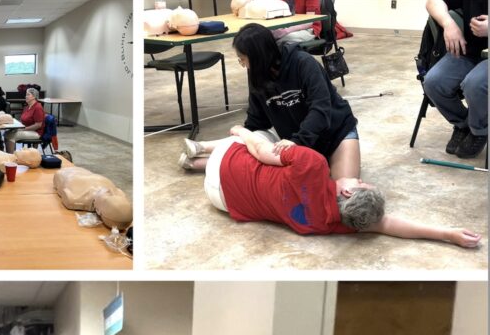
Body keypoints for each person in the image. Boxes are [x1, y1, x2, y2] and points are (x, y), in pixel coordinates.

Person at [178, 126, 483, 247]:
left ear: (348, 191)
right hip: (223, 203)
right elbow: (388, 225)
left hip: (226, 167)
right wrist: (448, 235)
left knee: (260, 135)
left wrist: (241, 130)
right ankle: (194, 163)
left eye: (359, 181)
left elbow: (258, 150)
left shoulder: (313, 166)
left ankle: (202, 148)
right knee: (264, 158)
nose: (358, 178)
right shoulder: (332, 222)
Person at [230, 23, 360, 181]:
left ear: (258, 58)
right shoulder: (257, 75)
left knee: (344, 190)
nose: (243, 65)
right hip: (299, 142)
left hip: (335, 134)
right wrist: (244, 136)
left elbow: (321, 110)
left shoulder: (303, 63)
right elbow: (257, 120)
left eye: (243, 59)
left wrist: (298, 141)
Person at [423, 0, 488, 158]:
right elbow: (433, 1)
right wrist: (448, 24)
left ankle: (479, 129)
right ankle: (464, 124)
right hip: (470, 51)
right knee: (434, 82)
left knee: (474, 84)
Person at [5, 87, 45, 153]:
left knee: (10, 135)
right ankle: (10, 153)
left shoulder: (38, 107)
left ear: (34, 96)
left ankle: (10, 157)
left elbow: (38, 125)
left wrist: (23, 129)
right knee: (7, 132)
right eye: (26, 94)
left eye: (28, 94)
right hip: (27, 129)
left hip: (36, 132)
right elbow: (23, 120)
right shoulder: (27, 107)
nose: (26, 96)